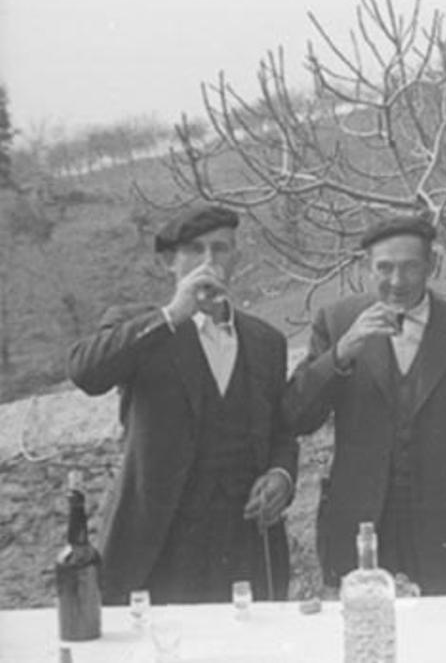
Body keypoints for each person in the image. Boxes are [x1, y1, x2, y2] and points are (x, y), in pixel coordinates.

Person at [67, 205, 295, 605]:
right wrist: (173, 314)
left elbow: (281, 427)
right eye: (195, 249)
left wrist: (281, 474)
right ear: (169, 262)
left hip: (245, 535)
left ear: (236, 257)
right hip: (161, 540)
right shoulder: (142, 326)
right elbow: (86, 372)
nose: (209, 261)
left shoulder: (267, 341)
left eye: (221, 249)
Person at [283, 217, 446, 595]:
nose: (397, 281)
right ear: (366, 267)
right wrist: (340, 354)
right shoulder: (337, 321)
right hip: (360, 530)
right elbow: (296, 416)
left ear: (432, 265)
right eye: (384, 268)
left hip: (444, 532)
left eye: (410, 267)